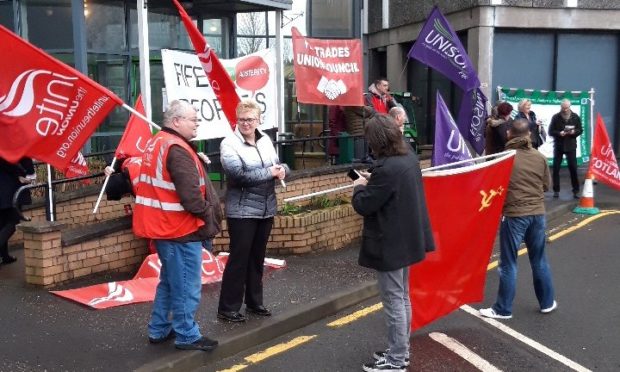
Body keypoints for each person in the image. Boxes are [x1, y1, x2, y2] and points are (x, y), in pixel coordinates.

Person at [132, 100, 220, 351]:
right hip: (179, 228)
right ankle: (187, 334)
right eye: (193, 119)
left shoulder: (159, 142)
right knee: (185, 285)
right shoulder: (177, 148)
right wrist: (208, 215)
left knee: (171, 282)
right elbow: (192, 197)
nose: (197, 123)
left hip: (163, 227)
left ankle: (159, 328)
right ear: (177, 121)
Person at [351, 114, 435, 372]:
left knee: (394, 301)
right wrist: (372, 178)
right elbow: (389, 188)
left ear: (377, 140)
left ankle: (397, 360)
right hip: (408, 238)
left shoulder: (387, 169)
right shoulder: (408, 156)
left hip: (391, 242)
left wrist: (358, 185)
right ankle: (401, 351)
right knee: (402, 297)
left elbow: (364, 205)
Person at [217, 99, 288, 323]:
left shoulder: (266, 140)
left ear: (259, 120)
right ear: (236, 121)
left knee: (257, 258)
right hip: (242, 211)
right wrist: (270, 172)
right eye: (241, 119)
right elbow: (238, 176)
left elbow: (278, 164)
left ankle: (255, 302)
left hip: (266, 208)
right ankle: (228, 307)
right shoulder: (229, 144)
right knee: (239, 258)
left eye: (250, 119)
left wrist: (284, 170)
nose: (246, 123)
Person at [479, 118, 556, 320]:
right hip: (538, 214)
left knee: (508, 263)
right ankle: (547, 302)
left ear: (508, 134)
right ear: (529, 135)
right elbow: (546, 186)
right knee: (539, 259)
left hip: (514, 216)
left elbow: (492, 189)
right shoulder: (539, 157)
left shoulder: (504, 158)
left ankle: (503, 309)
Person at [0, 157, 35, 266]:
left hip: (4, 185)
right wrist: (27, 174)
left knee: (2, 223)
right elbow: (21, 156)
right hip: (9, 187)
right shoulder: (11, 142)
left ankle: (4, 256)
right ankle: (3, 255)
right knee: (13, 220)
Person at [548, 99, 583, 199]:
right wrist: (559, 133)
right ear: (561, 107)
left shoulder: (575, 117)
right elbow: (550, 131)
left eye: (566, 108)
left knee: (573, 168)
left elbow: (580, 130)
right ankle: (556, 190)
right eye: (563, 108)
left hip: (571, 145)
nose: (565, 110)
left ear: (570, 106)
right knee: (556, 169)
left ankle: (576, 191)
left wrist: (574, 132)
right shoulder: (556, 117)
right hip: (559, 145)